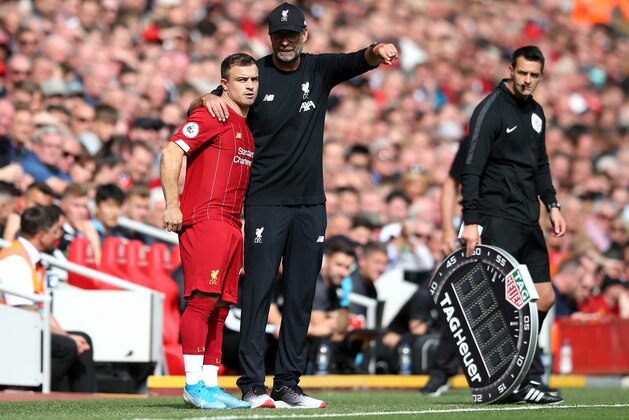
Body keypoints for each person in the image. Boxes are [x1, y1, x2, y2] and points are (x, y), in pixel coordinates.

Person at [191, 2, 398, 408]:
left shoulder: (318, 69)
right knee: (258, 292)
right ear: (270, 38)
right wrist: (204, 97)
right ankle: (252, 384)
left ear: (305, 35)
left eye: (292, 34)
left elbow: (359, 59)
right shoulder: (256, 75)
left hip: (310, 204)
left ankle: (287, 383)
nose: (285, 40)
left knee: (302, 293)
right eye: (278, 35)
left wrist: (378, 49)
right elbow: (203, 107)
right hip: (266, 201)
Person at [459, 46, 566, 404]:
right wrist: (470, 220)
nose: (527, 80)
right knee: (508, 301)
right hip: (496, 214)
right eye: (522, 73)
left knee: (545, 296)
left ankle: (520, 375)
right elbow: (471, 167)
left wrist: (552, 204)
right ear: (510, 70)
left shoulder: (536, 113)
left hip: (528, 217)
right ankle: (521, 380)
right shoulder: (490, 109)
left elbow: (541, 164)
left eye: (534, 75)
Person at [160, 52, 258, 410]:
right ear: (225, 83)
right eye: (241, 80)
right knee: (202, 301)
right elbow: (172, 151)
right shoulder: (212, 113)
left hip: (233, 223)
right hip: (206, 217)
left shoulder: (245, 126)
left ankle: (210, 383)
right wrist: (172, 203)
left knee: (221, 308)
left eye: (253, 80)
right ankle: (191, 385)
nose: (249, 86)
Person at [0, 205, 97, 392]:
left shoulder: (32, 259)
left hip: (27, 328)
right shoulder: (15, 260)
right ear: (42, 235)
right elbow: (23, 310)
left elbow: (43, 308)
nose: (58, 236)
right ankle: (31, 391)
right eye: (54, 231)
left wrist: (68, 335)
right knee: (66, 346)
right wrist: (67, 337)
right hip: (11, 332)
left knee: (83, 341)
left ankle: (87, 404)